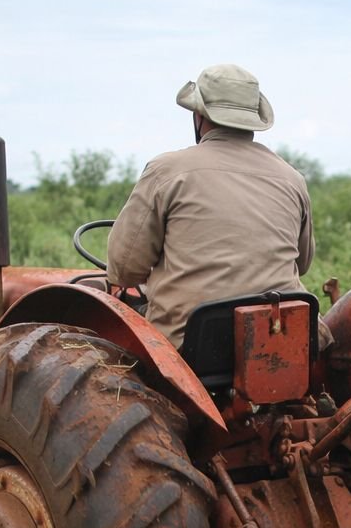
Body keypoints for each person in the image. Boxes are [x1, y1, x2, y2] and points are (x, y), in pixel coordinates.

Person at [106, 64, 315, 350]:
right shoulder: (292, 178)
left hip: (188, 344)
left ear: (199, 115)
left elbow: (125, 269)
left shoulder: (166, 171)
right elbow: (302, 263)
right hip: (281, 338)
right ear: (253, 119)